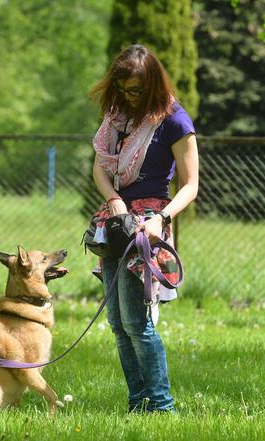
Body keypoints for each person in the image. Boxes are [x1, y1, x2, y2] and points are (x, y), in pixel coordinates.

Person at [89, 44, 199, 413]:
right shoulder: (117, 116)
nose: (128, 97)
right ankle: (138, 403)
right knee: (118, 324)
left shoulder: (175, 121)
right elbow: (100, 169)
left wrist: (161, 219)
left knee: (138, 323)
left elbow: (190, 185)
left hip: (148, 225)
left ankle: (162, 407)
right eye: (123, 89)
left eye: (135, 90)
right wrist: (114, 201)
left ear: (152, 83)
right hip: (116, 222)